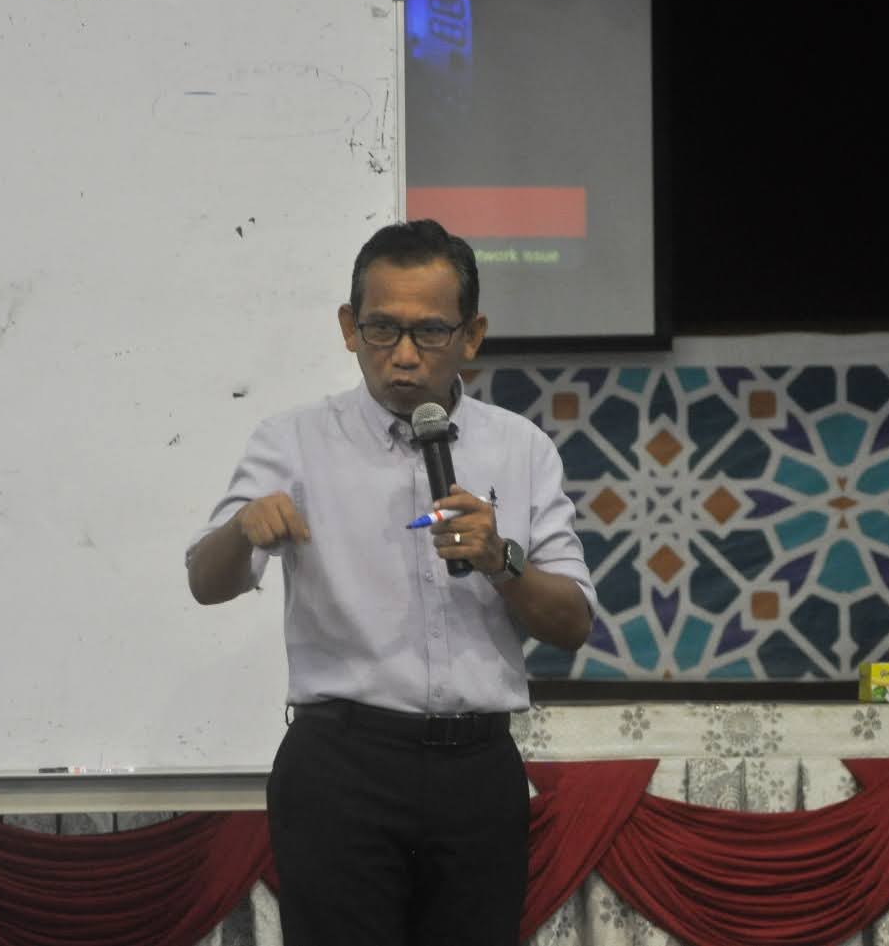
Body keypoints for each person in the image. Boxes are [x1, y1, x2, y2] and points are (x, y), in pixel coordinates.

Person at [186, 219, 597, 946]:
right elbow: (204, 581)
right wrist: (241, 528)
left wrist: (501, 559)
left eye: (430, 332)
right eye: (382, 329)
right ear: (350, 327)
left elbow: (571, 623)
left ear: (471, 335)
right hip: (342, 767)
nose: (403, 355)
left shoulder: (522, 447)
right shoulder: (293, 441)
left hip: (477, 770)